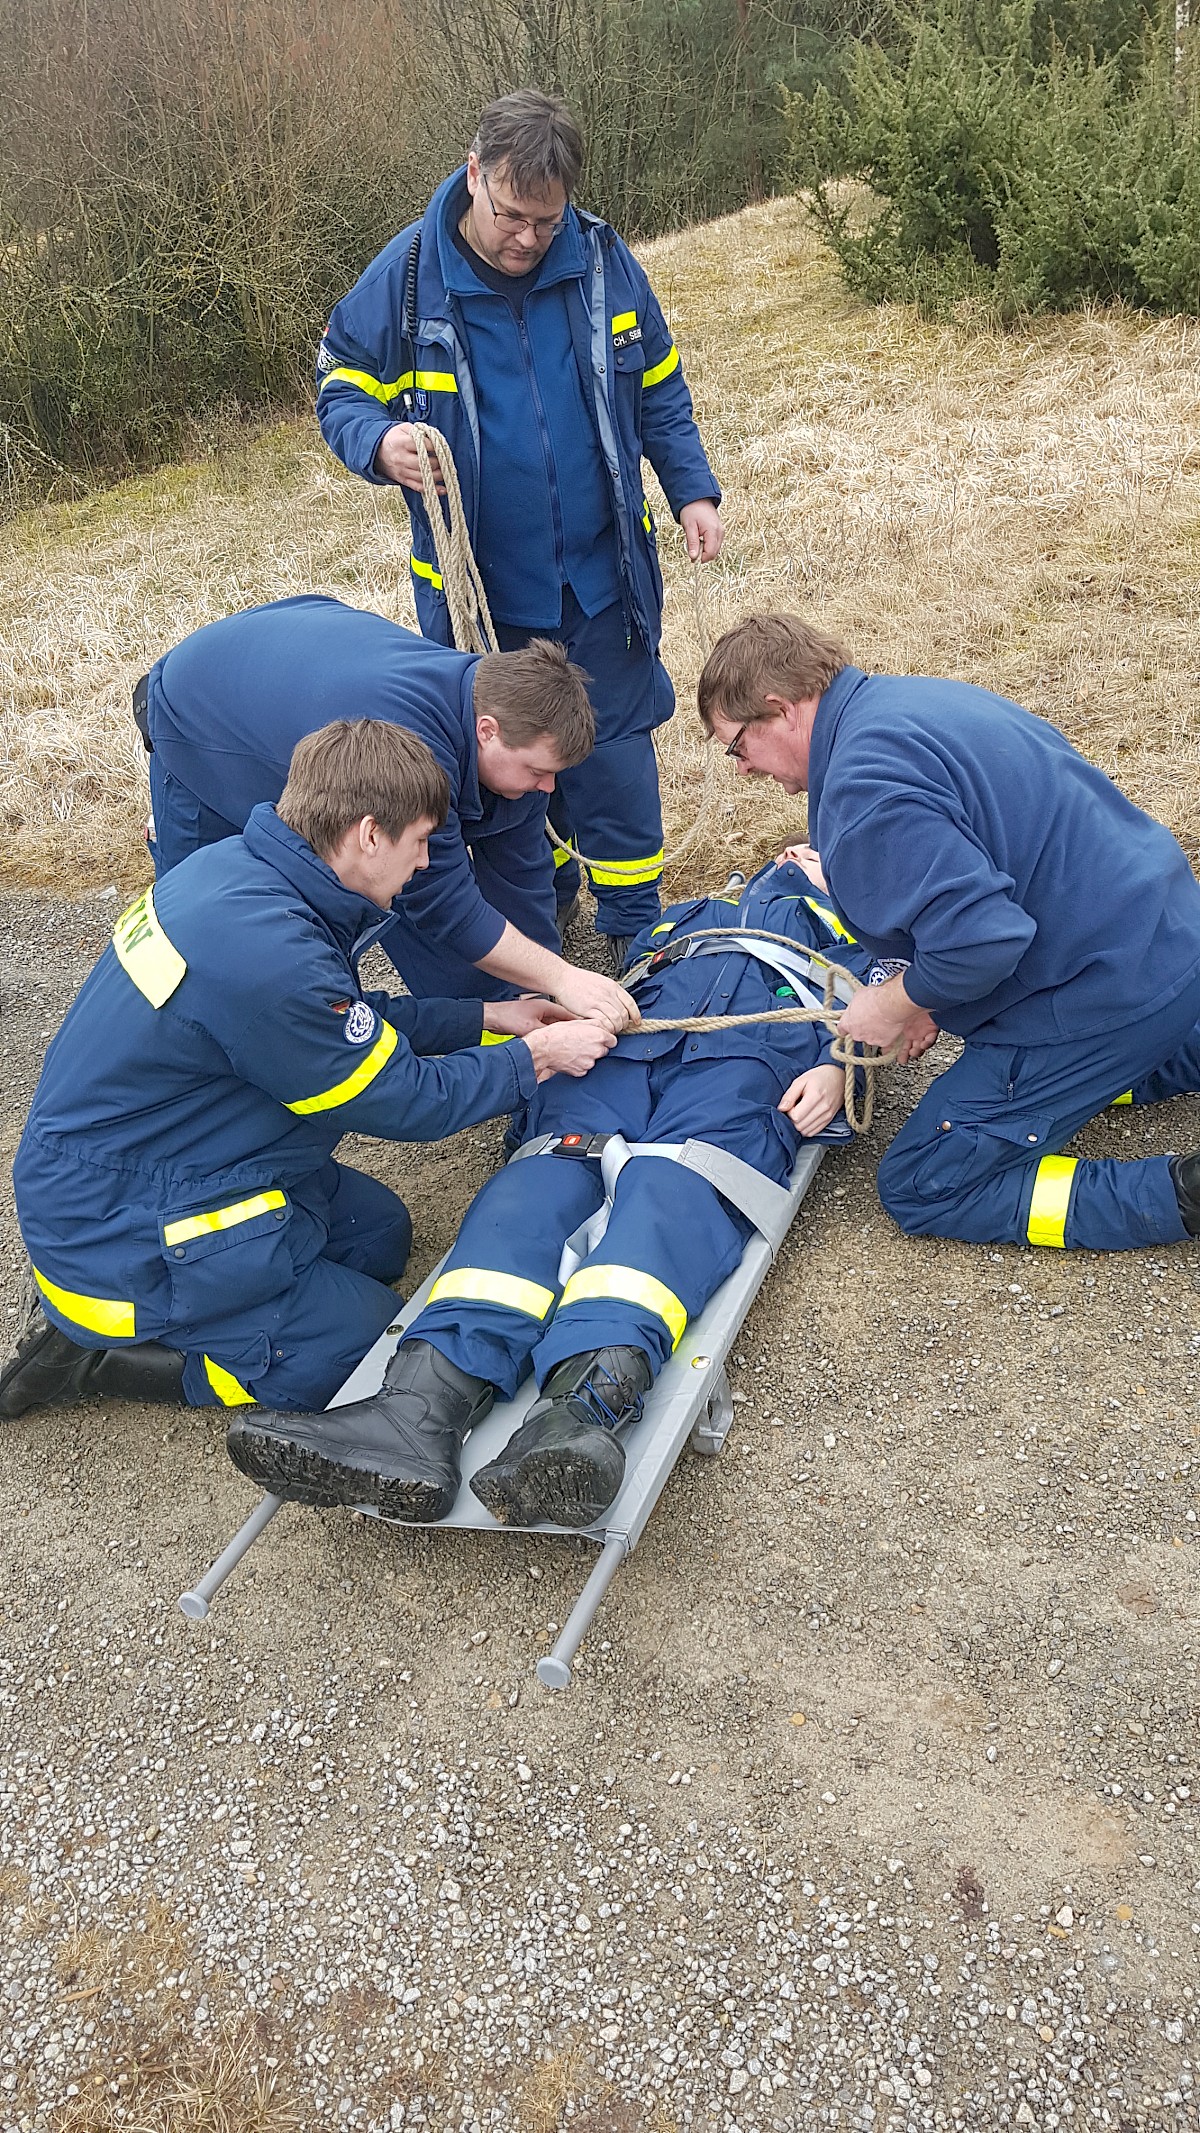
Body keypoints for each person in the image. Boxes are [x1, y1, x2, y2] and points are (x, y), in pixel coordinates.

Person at [224, 854, 887, 1527]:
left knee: (675, 1184)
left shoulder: (875, 936)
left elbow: (891, 1019)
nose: (801, 851)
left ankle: (578, 1412)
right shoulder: (688, 914)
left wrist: (840, 1068)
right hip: (621, 1048)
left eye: (822, 849)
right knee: (541, 1178)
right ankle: (417, 1405)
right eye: (799, 843)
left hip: (753, 1054)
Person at [0, 721, 615, 1424]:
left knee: (380, 1234)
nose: (423, 864)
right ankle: (116, 1357)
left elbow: (338, 1022)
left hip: (162, 1154)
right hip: (122, 1227)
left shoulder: (242, 874)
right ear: (367, 834)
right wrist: (534, 1059)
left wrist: (490, 1018)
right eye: (419, 841)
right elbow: (405, 1101)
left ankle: (237, 1308)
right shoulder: (272, 957)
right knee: (366, 1346)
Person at [315, 88, 724, 961]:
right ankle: (543, 924)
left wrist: (692, 488)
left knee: (612, 761)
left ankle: (635, 933)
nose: (529, 238)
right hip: (486, 604)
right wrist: (379, 441)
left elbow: (657, 385)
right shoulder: (410, 273)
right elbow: (340, 379)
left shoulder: (606, 262)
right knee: (508, 776)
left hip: (603, 580)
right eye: (512, 215)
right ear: (474, 176)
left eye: (547, 219)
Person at [696, 611, 1200, 1254]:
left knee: (924, 1181)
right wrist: (928, 993)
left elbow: (983, 941)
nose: (740, 768)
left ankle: (1179, 1192)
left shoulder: (861, 791)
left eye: (736, 745)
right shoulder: (905, 704)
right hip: (1169, 938)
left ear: (781, 709)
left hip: (1107, 990)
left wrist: (896, 1002)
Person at [136, 592, 633, 1021]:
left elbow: (523, 879)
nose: (548, 789)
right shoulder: (410, 747)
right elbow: (444, 906)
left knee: (404, 875)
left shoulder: (511, 733)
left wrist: (545, 991)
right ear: (488, 731)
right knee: (204, 937)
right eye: (537, 773)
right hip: (199, 712)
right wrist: (562, 982)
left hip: (301, 664)